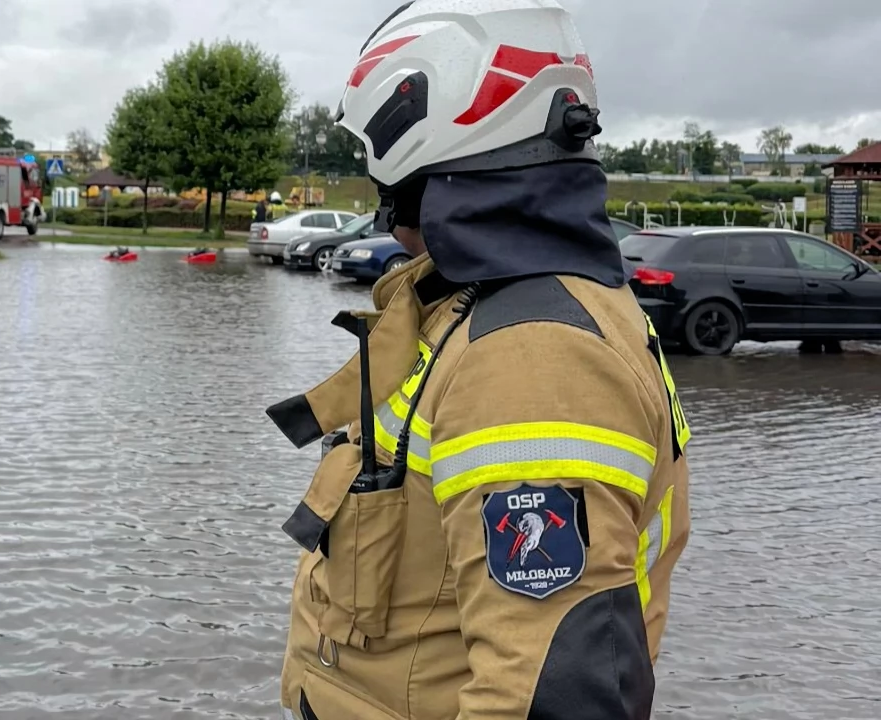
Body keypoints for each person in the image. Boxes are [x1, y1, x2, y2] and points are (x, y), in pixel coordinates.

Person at [265, 2, 692, 719]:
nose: (382, 207)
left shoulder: (533, 360)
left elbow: (547, 698)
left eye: (385, 177)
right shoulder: (487, 307)